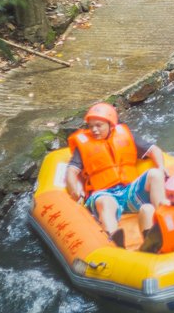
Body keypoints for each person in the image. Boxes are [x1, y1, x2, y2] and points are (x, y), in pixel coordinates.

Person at [66, 104, 168, 249]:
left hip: (129, 191)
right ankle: (115, 244)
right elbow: (71, 171)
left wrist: (161, 167)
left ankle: (161, 224)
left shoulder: (125, 136)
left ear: (111, 125)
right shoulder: (83, 146)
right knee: (106, 203)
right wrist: (74, 189)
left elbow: (154, 150)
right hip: (104, 193)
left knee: (155, 174)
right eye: (91, 126)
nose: (94, 130)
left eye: (98, 125)